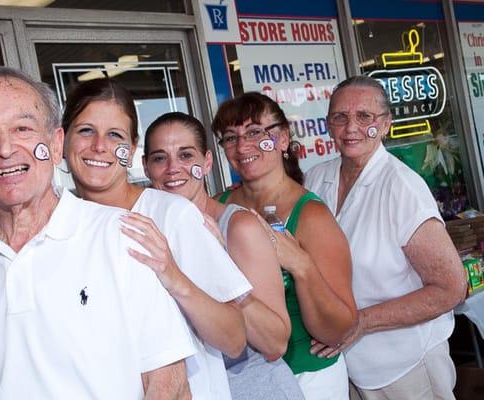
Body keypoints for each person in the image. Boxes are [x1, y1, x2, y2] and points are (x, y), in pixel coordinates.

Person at [0, 66, 197, 400]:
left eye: (23, 128)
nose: (5, 148)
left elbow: (169, 384)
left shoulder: (123, 237)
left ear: (55, 145)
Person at [62, 79, 252, 400]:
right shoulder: (57, 227)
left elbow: (234, 338)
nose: (99, 146)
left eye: (115, 136)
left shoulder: (172, 215)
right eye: (85, 131)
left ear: (132, 148)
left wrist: (173, 276)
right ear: (61, 139)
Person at [304, 75, 466, 400]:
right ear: (328, 125)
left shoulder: (402, 187)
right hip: (344, 366)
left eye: (364, 116)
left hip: (406, 364)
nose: (351, 127)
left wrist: (361, 322)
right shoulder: (315, 178)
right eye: (340, 117)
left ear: (386, 123)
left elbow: (451, 287)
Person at [142, 111, 305, 400]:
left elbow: (276, 343)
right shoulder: (149, 233)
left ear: (206, 163)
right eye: (159, 158)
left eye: (186, 156)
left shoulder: (237, 226)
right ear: (145, 168)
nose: (172, 169)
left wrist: (222, 269)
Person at [212, 92, 357, 400]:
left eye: (254, 133)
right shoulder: (218, 205)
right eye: (230, 137)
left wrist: (300, 265)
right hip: (246, 380)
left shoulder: (311, 216)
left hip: (307, 378)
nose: (242, 146)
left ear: (281, 139)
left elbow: (339, 329)